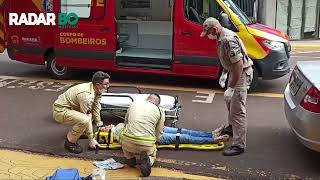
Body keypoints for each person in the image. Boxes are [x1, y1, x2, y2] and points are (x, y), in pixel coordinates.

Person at [200, 17, 253, 156]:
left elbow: (239, 64)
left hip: (241, 72)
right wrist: (224, 73)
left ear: (215, 29)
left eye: (209, 32)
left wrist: (232, 87)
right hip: (233, 71)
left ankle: (239, 145)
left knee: (237, 110)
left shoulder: (227, 40)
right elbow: (228, 60)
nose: (208, 36)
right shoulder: (220, 37)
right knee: (230, 101)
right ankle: (231, 127)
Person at [53, 71, 110, 154]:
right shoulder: (86, 96)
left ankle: (79, 132)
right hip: (61, 111)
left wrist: (99, 124)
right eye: (106, 84)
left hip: (71, 108)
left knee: (87, 119)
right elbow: (87, 116)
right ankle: (70, 142)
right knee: (85, 120)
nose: (108, 86)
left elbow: (96, 107)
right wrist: (91, 139)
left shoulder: (96, 89)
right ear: (98, 85)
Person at [115, 94, 165, 177]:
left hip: (128, 142)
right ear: (157, 104)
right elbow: (158, 133)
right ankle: (149, 159)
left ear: (147, 99)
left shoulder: (134, 104)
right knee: (153, 152)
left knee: (119, 127)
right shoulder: (160, 110)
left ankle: (129, 157)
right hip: (146, 145)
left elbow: (125, 123)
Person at [100, 124, 229, 145]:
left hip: (155, 129)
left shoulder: (119, 126)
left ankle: (210, 134)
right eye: (104, 129)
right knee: (183, 138)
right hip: (156, 137)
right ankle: (213, 140)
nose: (106, 126)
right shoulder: (118, 134)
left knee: (182, 131)